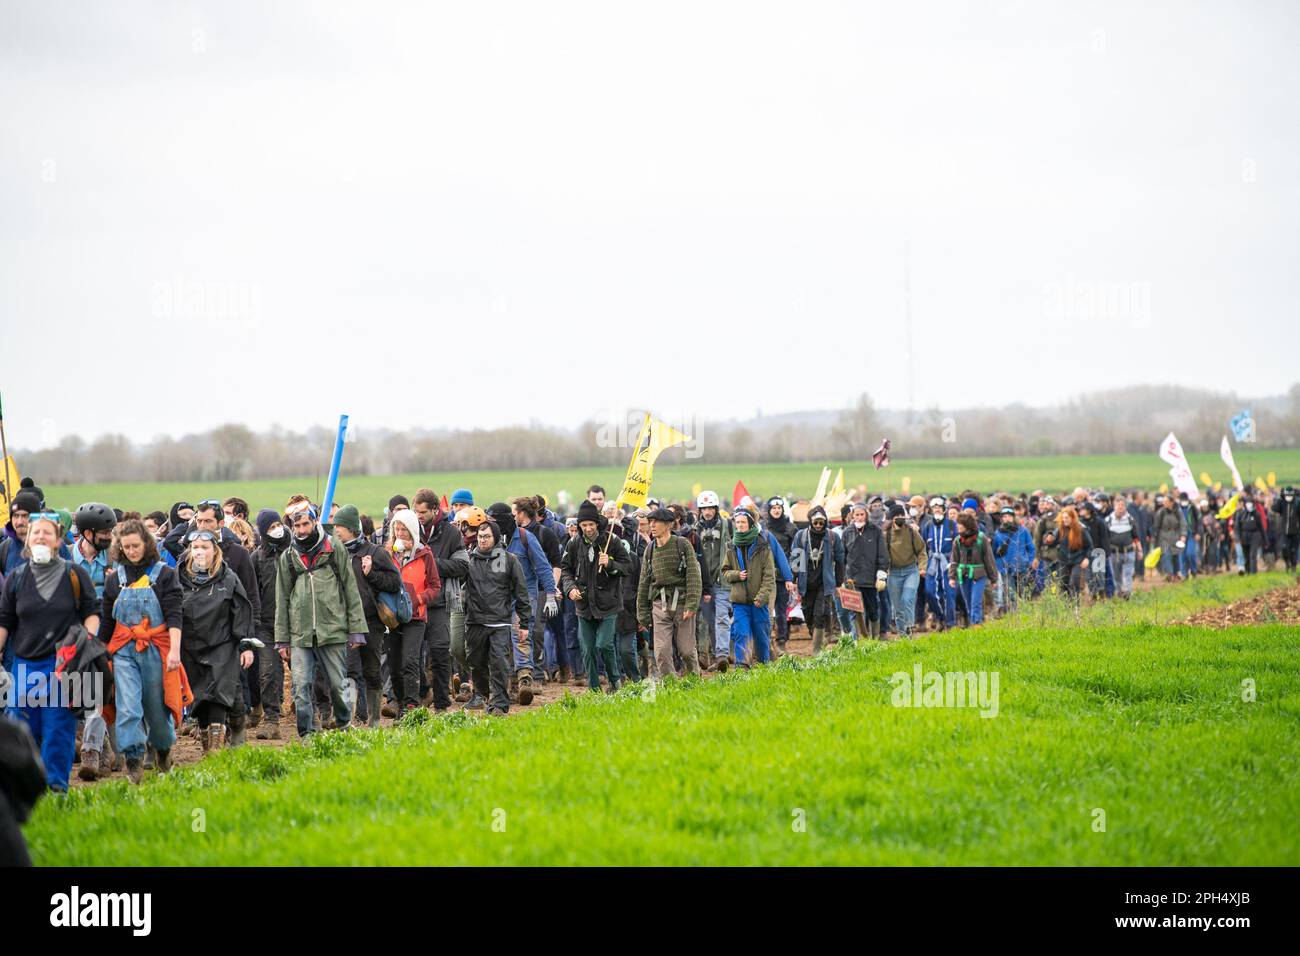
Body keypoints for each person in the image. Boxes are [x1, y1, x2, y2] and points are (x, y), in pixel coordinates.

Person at [0, 512, 99, 792]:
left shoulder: (74, 574)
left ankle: (56, 789)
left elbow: (92, 612)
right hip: (25, 666)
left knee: (58, 730)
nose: (41, 536)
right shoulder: (17, 578)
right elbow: (5, 620)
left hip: (64, 667)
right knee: (22, 729)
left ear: (58, 540)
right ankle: (26, 790)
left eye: (47, 532)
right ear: (28, 541)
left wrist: (87, 641)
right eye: (36, 532)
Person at [274, 496, 368, 738]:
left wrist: (356, 628)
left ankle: (344, 724)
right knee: (301, 687)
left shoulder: (334, 548)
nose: (302, 530)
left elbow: (350, 588)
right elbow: (282, 599)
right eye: (297, 526)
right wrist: (282, 639)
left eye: (306, 524)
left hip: (332, 629)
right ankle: (306, 734)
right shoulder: (288, 557)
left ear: (315, 522)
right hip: (300, 634)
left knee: (337, 685)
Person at [99, 518, 183, 783]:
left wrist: (175, 652)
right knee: (128, 707)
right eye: (126, 548)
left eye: (136, 546)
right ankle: (133, 761)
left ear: (147, 544)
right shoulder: (115, 581)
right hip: (123, 650)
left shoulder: (165, 576)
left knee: (157, 710)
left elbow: (174, 616)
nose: (132, 551)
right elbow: (106, 622)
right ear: (119, 548)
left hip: (157, 649)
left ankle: (162, 750)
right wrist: (99, 653)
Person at [441, 518, 533, 716]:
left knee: (499, 661)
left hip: (499, 621)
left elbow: (521, 592)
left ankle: (499, 703)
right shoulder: (469, 560)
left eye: (487, 537)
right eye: (480, 536)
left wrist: (524, 623)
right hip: (475, 620)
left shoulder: (509, 560)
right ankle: (481, 694)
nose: (482, 540)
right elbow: (455, 582)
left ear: (496, 538)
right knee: (476, 661)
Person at [176, 528, 256, 753]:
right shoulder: (178, 577)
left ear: (215, 550)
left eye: (205, 547)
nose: (200, 552)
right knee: (199, 699)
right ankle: (207, 748)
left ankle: (215, 749)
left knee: (219, 695)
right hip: (190, 647)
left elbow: (241, 611)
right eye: (196, 548)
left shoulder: (228, 578)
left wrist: (245, 645)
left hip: (222, 645)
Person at [332, 505, 402, 726]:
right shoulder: (336, 553)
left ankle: (373, 721)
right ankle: (347, 721)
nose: (336, 531)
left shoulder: (375, 552)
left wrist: (371, 573)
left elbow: (394, 583)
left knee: (372, 671)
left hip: (371, 622)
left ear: (352, 528)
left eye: (340, 526)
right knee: (349, 670)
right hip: (345, 622)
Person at [560, 500, 634, 692]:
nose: (587, 529)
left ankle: (615, 681)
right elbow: (566, 570)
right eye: (583, 525)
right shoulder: (573, 543)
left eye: (590, 525)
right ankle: (593, 689)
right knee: (588, 648)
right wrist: (570, 588)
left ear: (597, 523)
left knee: (604, 644)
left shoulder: (612, 541)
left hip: (608, 603)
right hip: (584, 605)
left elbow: (627, 567)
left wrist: (610, 564)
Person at [69, 502, 118, 781]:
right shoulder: (65, 558)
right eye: (104, 532)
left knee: (97, 691)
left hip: (105, 636)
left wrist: (116, 586)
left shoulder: (113, 561)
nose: (109, 537)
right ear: (87, 533)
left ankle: (96, 749)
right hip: (72, 636)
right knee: (83, 693)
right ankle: (94, 749)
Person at [485, 502, 553, 702]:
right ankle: (513, 686)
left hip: (524, 597)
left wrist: (550, 593)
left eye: (494, 521)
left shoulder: (525, 538)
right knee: (503, 642)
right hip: (500, 601)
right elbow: (491, 573)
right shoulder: (495, 543)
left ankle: (525, 678)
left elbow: (542, 566)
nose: (492, 525)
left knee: (521, 635)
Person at [383, 508, 442, 715]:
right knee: (394, 664)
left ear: (413, 531)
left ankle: (411, 706)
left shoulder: (425, 555)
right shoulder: (388, 554)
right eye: (396, 529)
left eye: (404, 529)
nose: (399, 533)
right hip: (392, 618)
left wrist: (419, 599)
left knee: (410, 661)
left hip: (416, 617)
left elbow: (435, 586)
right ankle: (398, 703)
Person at [636, 507, 702, 679]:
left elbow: (694, 576)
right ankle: (670, 686)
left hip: (682, 603)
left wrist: (692, 604)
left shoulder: (682, 545)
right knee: (662, 652)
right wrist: (642, 613)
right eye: (650, 522)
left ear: (668, 525)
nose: (652, 525)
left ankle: (694, 679)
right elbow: (644, 582)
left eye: (656, 522)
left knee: (686, 650)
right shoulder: (650, 550)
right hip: (659, 605)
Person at [413, 489, 462, 711]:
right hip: (414, 604)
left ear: (435, 509)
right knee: (411, 656)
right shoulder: (411, 531)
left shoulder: (451, 534)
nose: (419, 515)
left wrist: (432, 564)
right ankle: (423, 692)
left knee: (441, 653)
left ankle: (442, 704)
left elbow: (463, 565)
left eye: (423, 512)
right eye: (416, 511)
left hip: (440, 603)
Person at [720, 506, 775, 667]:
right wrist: (736, 575)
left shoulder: (763, 546)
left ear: (750, 524)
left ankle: (764, 665)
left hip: (759, 601)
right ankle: (742, 666)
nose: (740, 525)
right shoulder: (731, 547)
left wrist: (762, 597)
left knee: (761, 635)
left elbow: (769, 575)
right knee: (741, 633)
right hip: (740, 601)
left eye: (743, 522)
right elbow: (724, 571)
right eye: (737, 522)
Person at [250, 509, 288, 739]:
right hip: (267, 624)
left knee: (307, 673)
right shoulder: (257, 557)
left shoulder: (295, 551)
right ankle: (271, 720)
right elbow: (254, 592)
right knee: (267, 673)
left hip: (296, 623)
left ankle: (316, 715)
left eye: (278, 524)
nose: (276, 529)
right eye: (270, 526)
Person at [791, 505, 844, 652]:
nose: (819, 525)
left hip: (824, 583)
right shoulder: (801, 536)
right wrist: (793, 579)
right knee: (808, 615)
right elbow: (796, 559)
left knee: (820, 614)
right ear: (810, 522)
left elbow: (840, 561)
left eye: (821, 522)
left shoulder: (833, 537)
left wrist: (839, 583)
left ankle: (816, 650)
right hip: (806, 583)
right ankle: (819, 639)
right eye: (816, 522)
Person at [693, 491, 733, 671]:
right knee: (707, 619)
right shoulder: (694, 531)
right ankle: (714, 654)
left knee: (722, 617)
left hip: (722, 579)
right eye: (704, 508)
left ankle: (722, 654)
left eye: (710, 508)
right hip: (703, 582)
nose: (707, 512)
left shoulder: (727, 526)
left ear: (716, 508)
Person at [841, 501, 887, 640]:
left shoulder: (875, 531)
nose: (859, 517)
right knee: (855, 611)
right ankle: (859, 640)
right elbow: (842, 556)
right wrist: (842, 577)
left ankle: (874, 638)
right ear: (852, 516)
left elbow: (882, 554)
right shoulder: (847, 532)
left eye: (862, 514)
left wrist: (881, 572)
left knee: (872, 610)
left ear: (866, 515)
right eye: (857, 515)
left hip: (870, 578)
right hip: (852, 580)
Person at [948, 512, 999, 625]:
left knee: (976, 602)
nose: (957, 526)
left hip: (979, 575)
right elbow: (954, 560)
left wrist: (993, 579)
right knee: (968, 602)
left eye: (959, 524)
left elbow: (989, 559)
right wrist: (952, 577)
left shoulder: (981, 539)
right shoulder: (957, 541)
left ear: (966, 525)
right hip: (963, 575)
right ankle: (976, 623)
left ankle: (976, 624)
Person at [884, 503, 926, 637]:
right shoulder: (886, 535)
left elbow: (921, 550)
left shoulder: (911, 531)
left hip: (911, 571)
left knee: (908, 598)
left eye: (902, 515)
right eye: (897, 516)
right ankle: (902, 635)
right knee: (897, 607)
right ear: (891, 518)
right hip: (894, 573)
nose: (900, 518)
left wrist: (922, 567)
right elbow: (883, 556)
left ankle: (909, 626)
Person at [762, 497, 797, 652]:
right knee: (766, 610)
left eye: (779, 508)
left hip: (784, 576)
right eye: (773, 508)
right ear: (769, 511)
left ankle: (781, 641)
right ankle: (766, 641)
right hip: (766, 576)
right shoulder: (762, 529)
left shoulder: (790, 528)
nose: (776, 510)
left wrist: (794, 576)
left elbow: (797, 553)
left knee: (781, 611)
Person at [921, 497, 957, 629]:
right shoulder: (927, 526)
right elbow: (923, 547)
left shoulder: (952, 525)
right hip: (932, 565)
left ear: (944, 509)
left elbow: (957, 545)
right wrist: (923, 565)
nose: (937, 509)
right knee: (930, 592)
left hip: (948, 563)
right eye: (934, 507)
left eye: (939, 507)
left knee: (949, 594)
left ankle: (950, 623)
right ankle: (940, 616)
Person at [992, 505, 1035, 611]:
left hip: (1022, 567)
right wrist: (1000, 566)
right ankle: (1016, 616)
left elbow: (1031, 548)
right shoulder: (997, 534)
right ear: (1002, 518)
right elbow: (994, 553)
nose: (1007, 518)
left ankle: (1026, 615)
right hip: (1006, 569)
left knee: (1024, 593)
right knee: (1012, 595)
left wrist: (1028, 561)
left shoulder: (1023, 531)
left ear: (1013, 517)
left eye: (1009, 516)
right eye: (1004, 516)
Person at [1105, 498, 1142, 598]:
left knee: (1128, 574)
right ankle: (1119, 593)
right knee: (1116, 575)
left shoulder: (1130, 520)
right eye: (1118, 505)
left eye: (1122, 505)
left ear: (1125, 507)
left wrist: (1140, 551)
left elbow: (1136, 537)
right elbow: (1105, 538)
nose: (1120, 507)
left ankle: (1127, 593)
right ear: (1114, 507)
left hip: (1128, 552)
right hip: (1114, 553)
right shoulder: (1108, 520)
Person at [1055, 505, 1094, 598]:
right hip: (1063, 561)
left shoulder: (1081, 530)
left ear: (1072, 518)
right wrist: (1048, 539)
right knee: (1063, 585)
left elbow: (1090, 546)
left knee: (1073, 583)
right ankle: (1066, 608)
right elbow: (1051, 540)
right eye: (1063, 518)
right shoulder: (1060, 529)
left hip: (1077, 561)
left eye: (1067, 518)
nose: (1064, 520)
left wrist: (1087, 558)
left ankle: (1075, 608)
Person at [1151, 495, 1185, 582]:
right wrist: (1154, 536)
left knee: (1175, 555)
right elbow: (1156, 526)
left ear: (1171, 502)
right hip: (1164, 537)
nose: (1164, 503)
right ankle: (1169, 574)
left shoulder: (1178, 511)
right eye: (1164, 501)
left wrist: (1183, 535)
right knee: (1166, 554)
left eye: (1166, 501)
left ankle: (1176, 573)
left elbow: (1183, 524)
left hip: (1175, 536)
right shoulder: (1161, 512)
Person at [1234, 495, 1267, 575]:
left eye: (1251, 503)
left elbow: (1261, 528)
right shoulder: (1240, 514)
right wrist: (1238, 538)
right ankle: (1248, 571)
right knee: (1246, 555)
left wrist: (1265, 540)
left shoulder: (1256, 514)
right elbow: (1237, 527)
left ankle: (1253, 572)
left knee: (1253, 554)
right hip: (1244, 536)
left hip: (1254, 535)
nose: (1249, 504)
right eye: (1248, 503)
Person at [1271, 487, 1300, 573]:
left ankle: (1293, 567)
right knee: (1284, 548)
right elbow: (1274, 508)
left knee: (1294, 550)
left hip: (1295, 532)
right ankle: (1287, 563)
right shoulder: (1282, 503)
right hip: (1284, 532)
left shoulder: (1297, 503)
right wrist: (1279, 499)